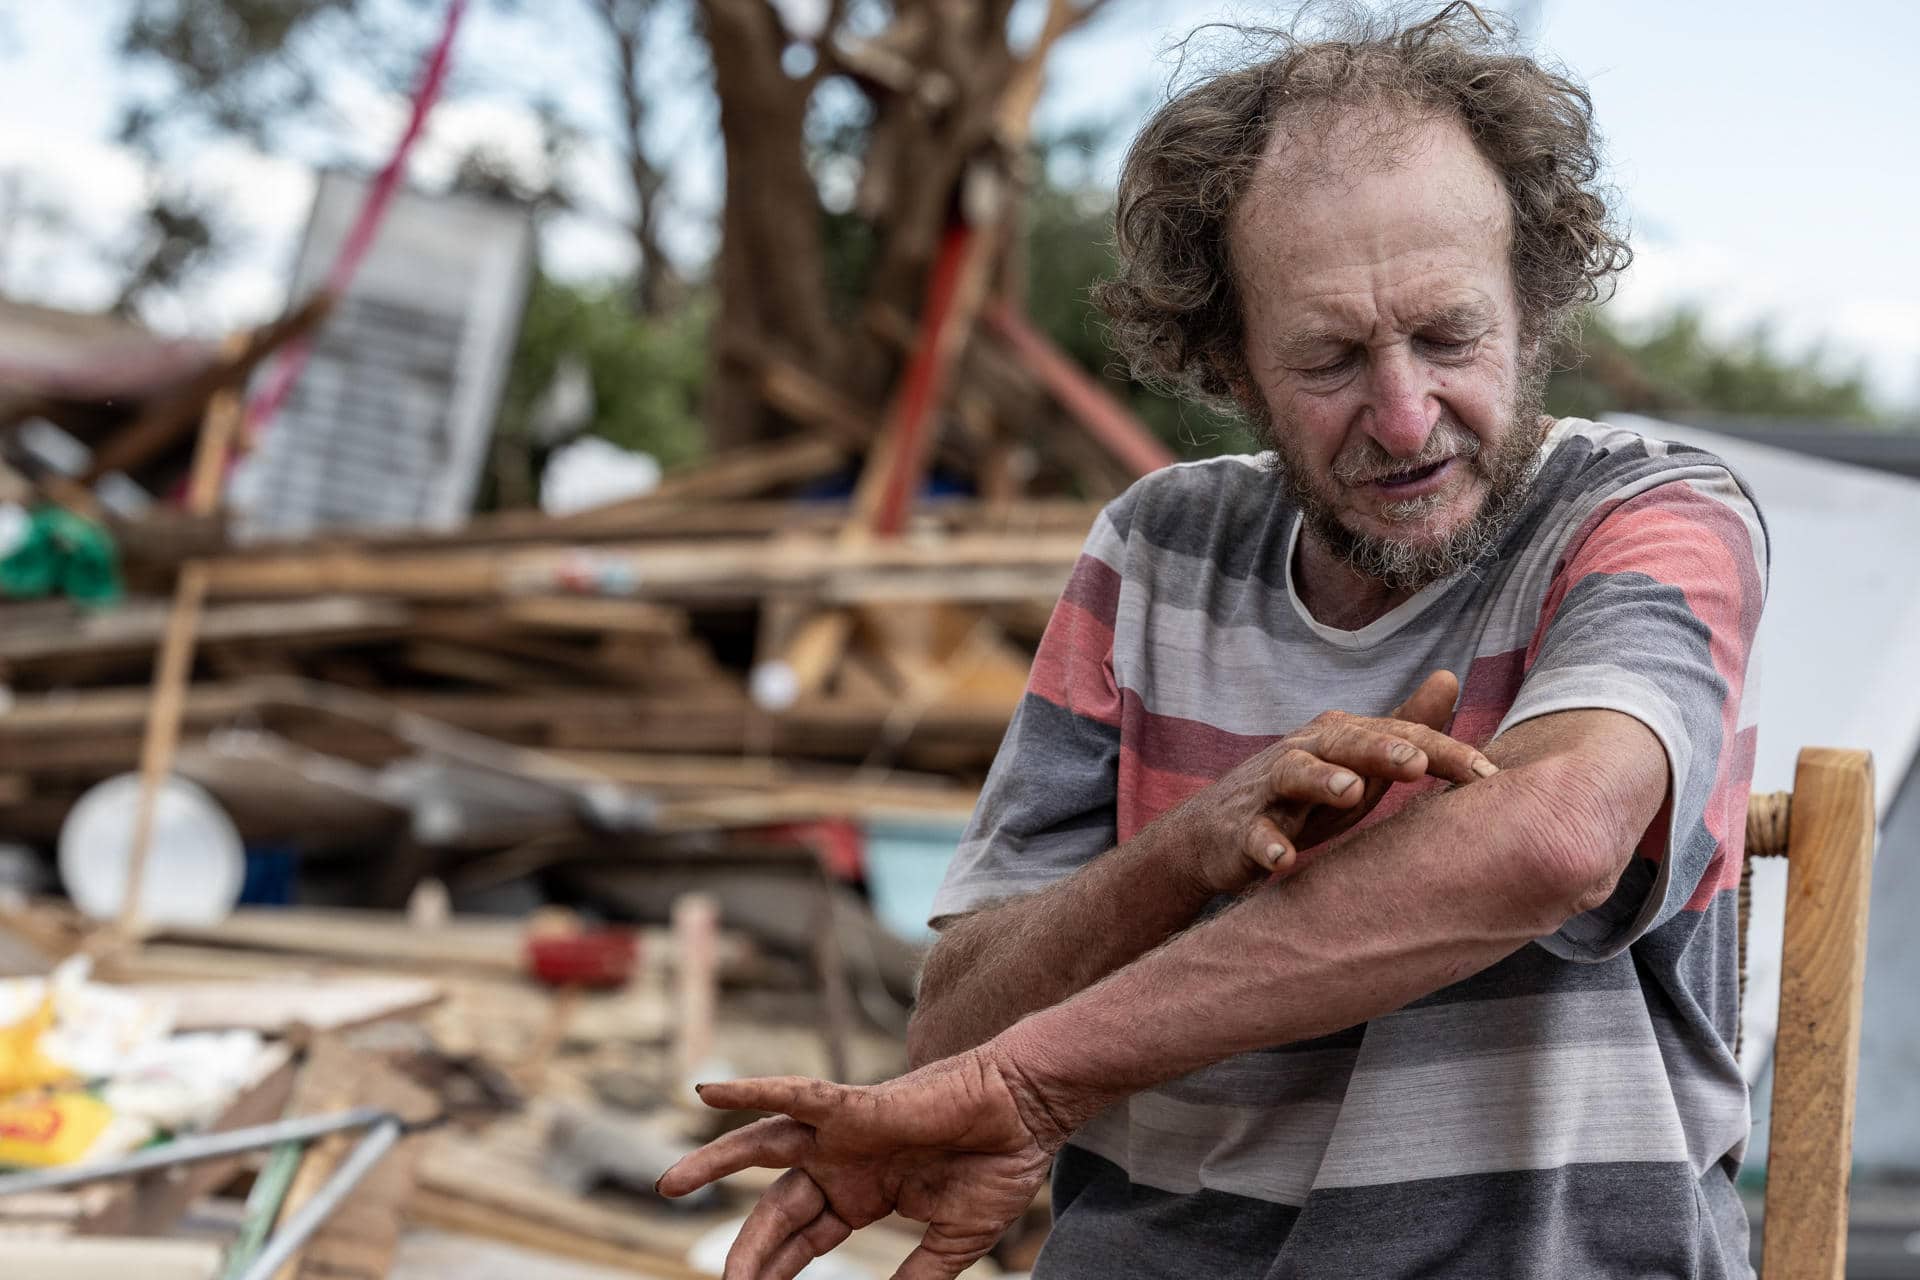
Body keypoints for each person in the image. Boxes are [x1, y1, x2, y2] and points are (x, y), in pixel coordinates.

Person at [658, 5, 1767, 1277]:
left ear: (1533, 305)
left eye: (1449, 336)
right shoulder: (1158, 549)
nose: (1405, 416)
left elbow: (1556, 836)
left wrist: (1037, 1080)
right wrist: (1184, 851)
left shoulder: (1650, 514)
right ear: (1230, 363)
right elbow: (953, 1029)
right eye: (1329, 357)